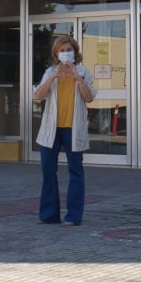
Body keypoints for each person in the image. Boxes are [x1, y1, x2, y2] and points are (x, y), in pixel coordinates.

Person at [33, 34, 96, 225]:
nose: (65, 53)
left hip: (73, 128)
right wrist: (53, 77)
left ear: (75, 52)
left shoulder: (83, 72)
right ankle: (48, 215)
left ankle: (73, 216)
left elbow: (89, 97)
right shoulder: (50, 71)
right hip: (51, 129)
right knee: (48, 170)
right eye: (62, 50)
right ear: (56, 54)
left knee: (75, 171)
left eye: (69, 50)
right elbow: (38, 95)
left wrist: (78, 78)